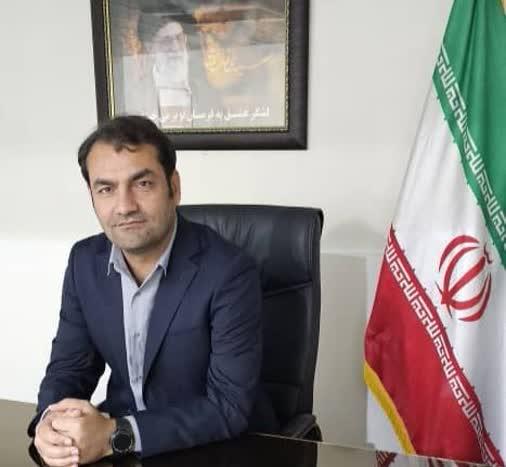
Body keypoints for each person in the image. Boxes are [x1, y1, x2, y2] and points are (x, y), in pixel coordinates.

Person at [28, 115, 278, 466]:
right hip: (124, 449)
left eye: (142, 184)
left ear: (173, 187)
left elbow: (228, 407)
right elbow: (69, 369)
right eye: (106, 189)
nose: (125, 206)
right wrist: (49, 423)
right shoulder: (84, 261)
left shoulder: (229, 271)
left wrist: (114, 434)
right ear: (92, 197)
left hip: (217, 449)